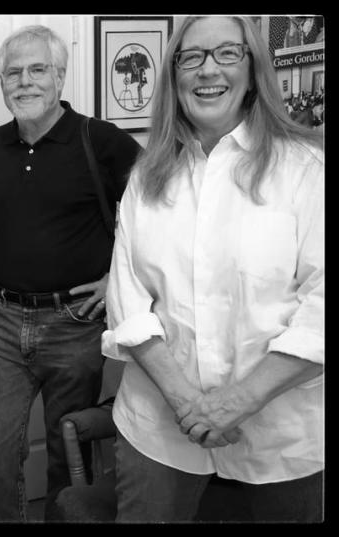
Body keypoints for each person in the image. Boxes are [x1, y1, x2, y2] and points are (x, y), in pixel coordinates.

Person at [103, 16, 323, 522]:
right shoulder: (148, 177)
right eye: (192, 57)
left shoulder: (307, 170)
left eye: (227, 53)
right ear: (174, 75)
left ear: (253, 69)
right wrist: (187, 403)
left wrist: (238, 400)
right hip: (158, 432)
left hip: (280, 441)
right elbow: (128, 301)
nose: (208, 70)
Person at [0, 25, 142, 521]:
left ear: (60, 76)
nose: (24, 82)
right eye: (13, 72)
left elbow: (156, 215)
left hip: (75, 326)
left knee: (64, 452)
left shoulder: (102, 140)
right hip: (6, 322)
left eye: (37, 70)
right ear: (1, 81)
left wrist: (119, 278)